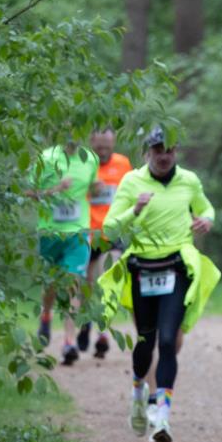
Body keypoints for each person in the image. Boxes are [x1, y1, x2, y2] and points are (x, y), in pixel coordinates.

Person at [99, 126, 220, 442]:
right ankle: (139, 389)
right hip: (142, 267)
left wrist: (206, 219)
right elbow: (110, 228)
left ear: (175, 151)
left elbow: (205, 207)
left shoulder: (189, 181)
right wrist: (134, 210)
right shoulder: (131, 182)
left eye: (169, 150)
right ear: (146, 153)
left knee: (168, 341)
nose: (164, 156)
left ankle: (162, 416)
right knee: (145, 342)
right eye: (157, 150)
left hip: (176, 267)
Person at [26, 140, 99, 366]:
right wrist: (55, 190)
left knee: (72, 285)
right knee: (51, 284)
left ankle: (69, 342)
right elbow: (29, 192)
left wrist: (97, 188)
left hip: (77, 234)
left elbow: (91, 188)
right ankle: (46, 315)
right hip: (50, 234)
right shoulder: (46, 157)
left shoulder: (90, 158)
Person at [78, 128, 133, 359]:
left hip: (112, 233)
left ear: (113, 143)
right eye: (99, 147)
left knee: (108, 280)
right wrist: (86, 189)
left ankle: (102, 330)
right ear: (91, 141)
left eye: (107, 147)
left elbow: (132, 191)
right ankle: (85, 323)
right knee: (87, 285)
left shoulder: (123, 164)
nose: (103, 151)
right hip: (87, 232)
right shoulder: (82, 164)